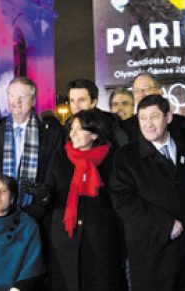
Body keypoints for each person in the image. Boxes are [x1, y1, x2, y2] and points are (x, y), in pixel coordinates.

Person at [110, 94, 185, 291]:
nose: (148, 124)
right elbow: (122, 200)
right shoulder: (126, 156)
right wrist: (164, 224)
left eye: (154, 117)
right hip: (151, 251)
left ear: (168, 117)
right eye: (143, 118)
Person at [33, 110, 126, 291]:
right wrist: (43, 194)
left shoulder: (112, 159)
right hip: (65, 239)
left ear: (94, 134)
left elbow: (118, 203)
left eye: (79, 129)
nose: (73, 133)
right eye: (72, 128)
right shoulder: (60, 156)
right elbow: (49, 195)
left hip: (100, 240)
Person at [0, 76, 64, 209]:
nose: (16, 101)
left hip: (37, 211)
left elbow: (54, 177)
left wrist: (43, 201)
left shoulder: (51, 134)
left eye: (22, 96)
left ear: (33, 100)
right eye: (12, 95)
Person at [120, 72, 185, 144]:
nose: (141, 95)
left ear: (160, 91)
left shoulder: (180, 123)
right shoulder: (125, 128)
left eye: (147, 89)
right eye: (136, 91)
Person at [66, 78, 129, 147]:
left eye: (81, 100)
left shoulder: (111, 123)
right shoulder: (67, 125)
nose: (76, 106)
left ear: (93, 102)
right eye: (72, 101)